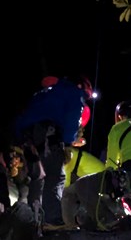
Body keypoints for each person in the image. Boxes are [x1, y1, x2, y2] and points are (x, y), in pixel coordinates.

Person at [14, 75, 93, 226]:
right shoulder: (73, 92)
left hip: (28, 138)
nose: (85, 99)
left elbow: (21, 116)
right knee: (55, 176)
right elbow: (72, 117)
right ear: (81, 86)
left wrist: (21, 140)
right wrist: (69, 141)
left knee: (37, 177)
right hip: (48, 135)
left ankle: (33, 219)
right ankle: (53, 220)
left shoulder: (45, 92)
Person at [60, 142, 108, 229]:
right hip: (102, 180)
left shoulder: (69, 163)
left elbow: (65, 185)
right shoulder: (74, 153)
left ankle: (70, 225)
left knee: (67, 193)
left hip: (100, 184)